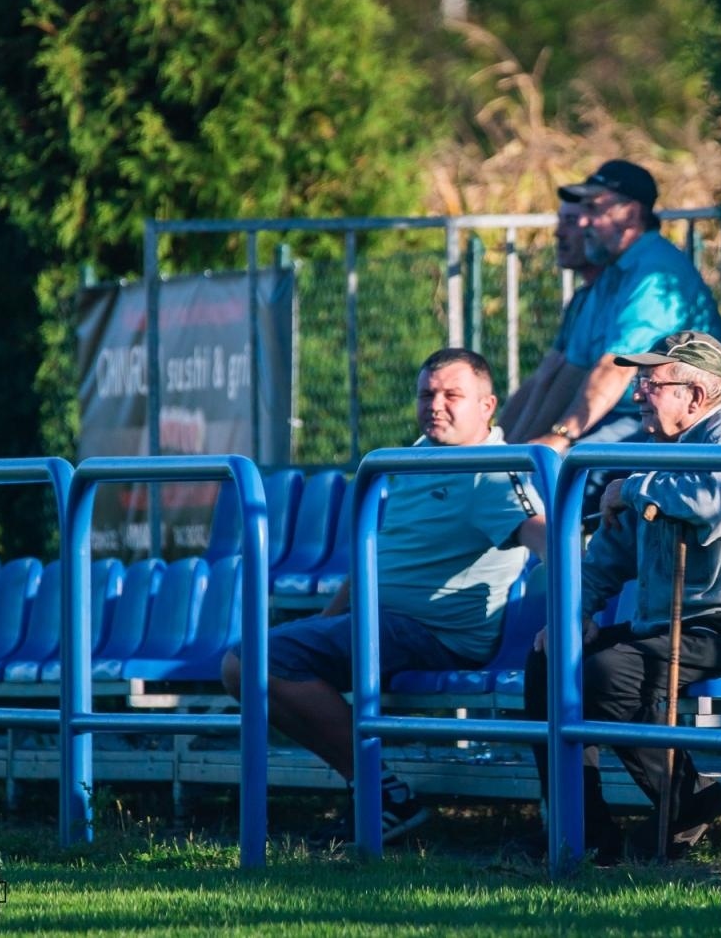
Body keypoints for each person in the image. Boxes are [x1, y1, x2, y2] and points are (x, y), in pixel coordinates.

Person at [222, 348, 547, 847]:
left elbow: (543, 534)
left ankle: (383, 795)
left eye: (452, 395)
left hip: (436, 634)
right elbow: (373, 556)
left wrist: (579, 587)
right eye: (427, 394)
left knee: (253, 661)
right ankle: (380, 795)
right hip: (383, 622)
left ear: (487, 406)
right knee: (250, 662)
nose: (436, 404)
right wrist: (328, 622)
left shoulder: (491, 469)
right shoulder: (410, 458)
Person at [523, 331, 721, 864]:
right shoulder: (661, 450)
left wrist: (634, 487)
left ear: (695, 396)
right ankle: (582, 835)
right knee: (549, 658)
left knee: (610, 674)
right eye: (640, 382)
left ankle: (687, 803)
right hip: (670, 627)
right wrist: (573, 616)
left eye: (651, 383)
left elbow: (718, 508)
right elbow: (608, 557)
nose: (638, 394)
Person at [525, 160, 721, 453]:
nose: (583, 222)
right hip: (630, 413)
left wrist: (562, 437)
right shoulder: (612, 273)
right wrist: (515, 452)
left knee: (577, 469)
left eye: (594, 209)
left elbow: (615, 369)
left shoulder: (655, 275)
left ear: (630, 214)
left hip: (674, 418)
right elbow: (571, 371)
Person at [499, 199, 603, 441]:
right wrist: (501, 447)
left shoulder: (613, 296)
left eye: (571, 221)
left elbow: (567, 380)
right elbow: (544, 376)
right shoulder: (582, 299)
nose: (558, 233)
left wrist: (520, 453)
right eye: (560, 221)